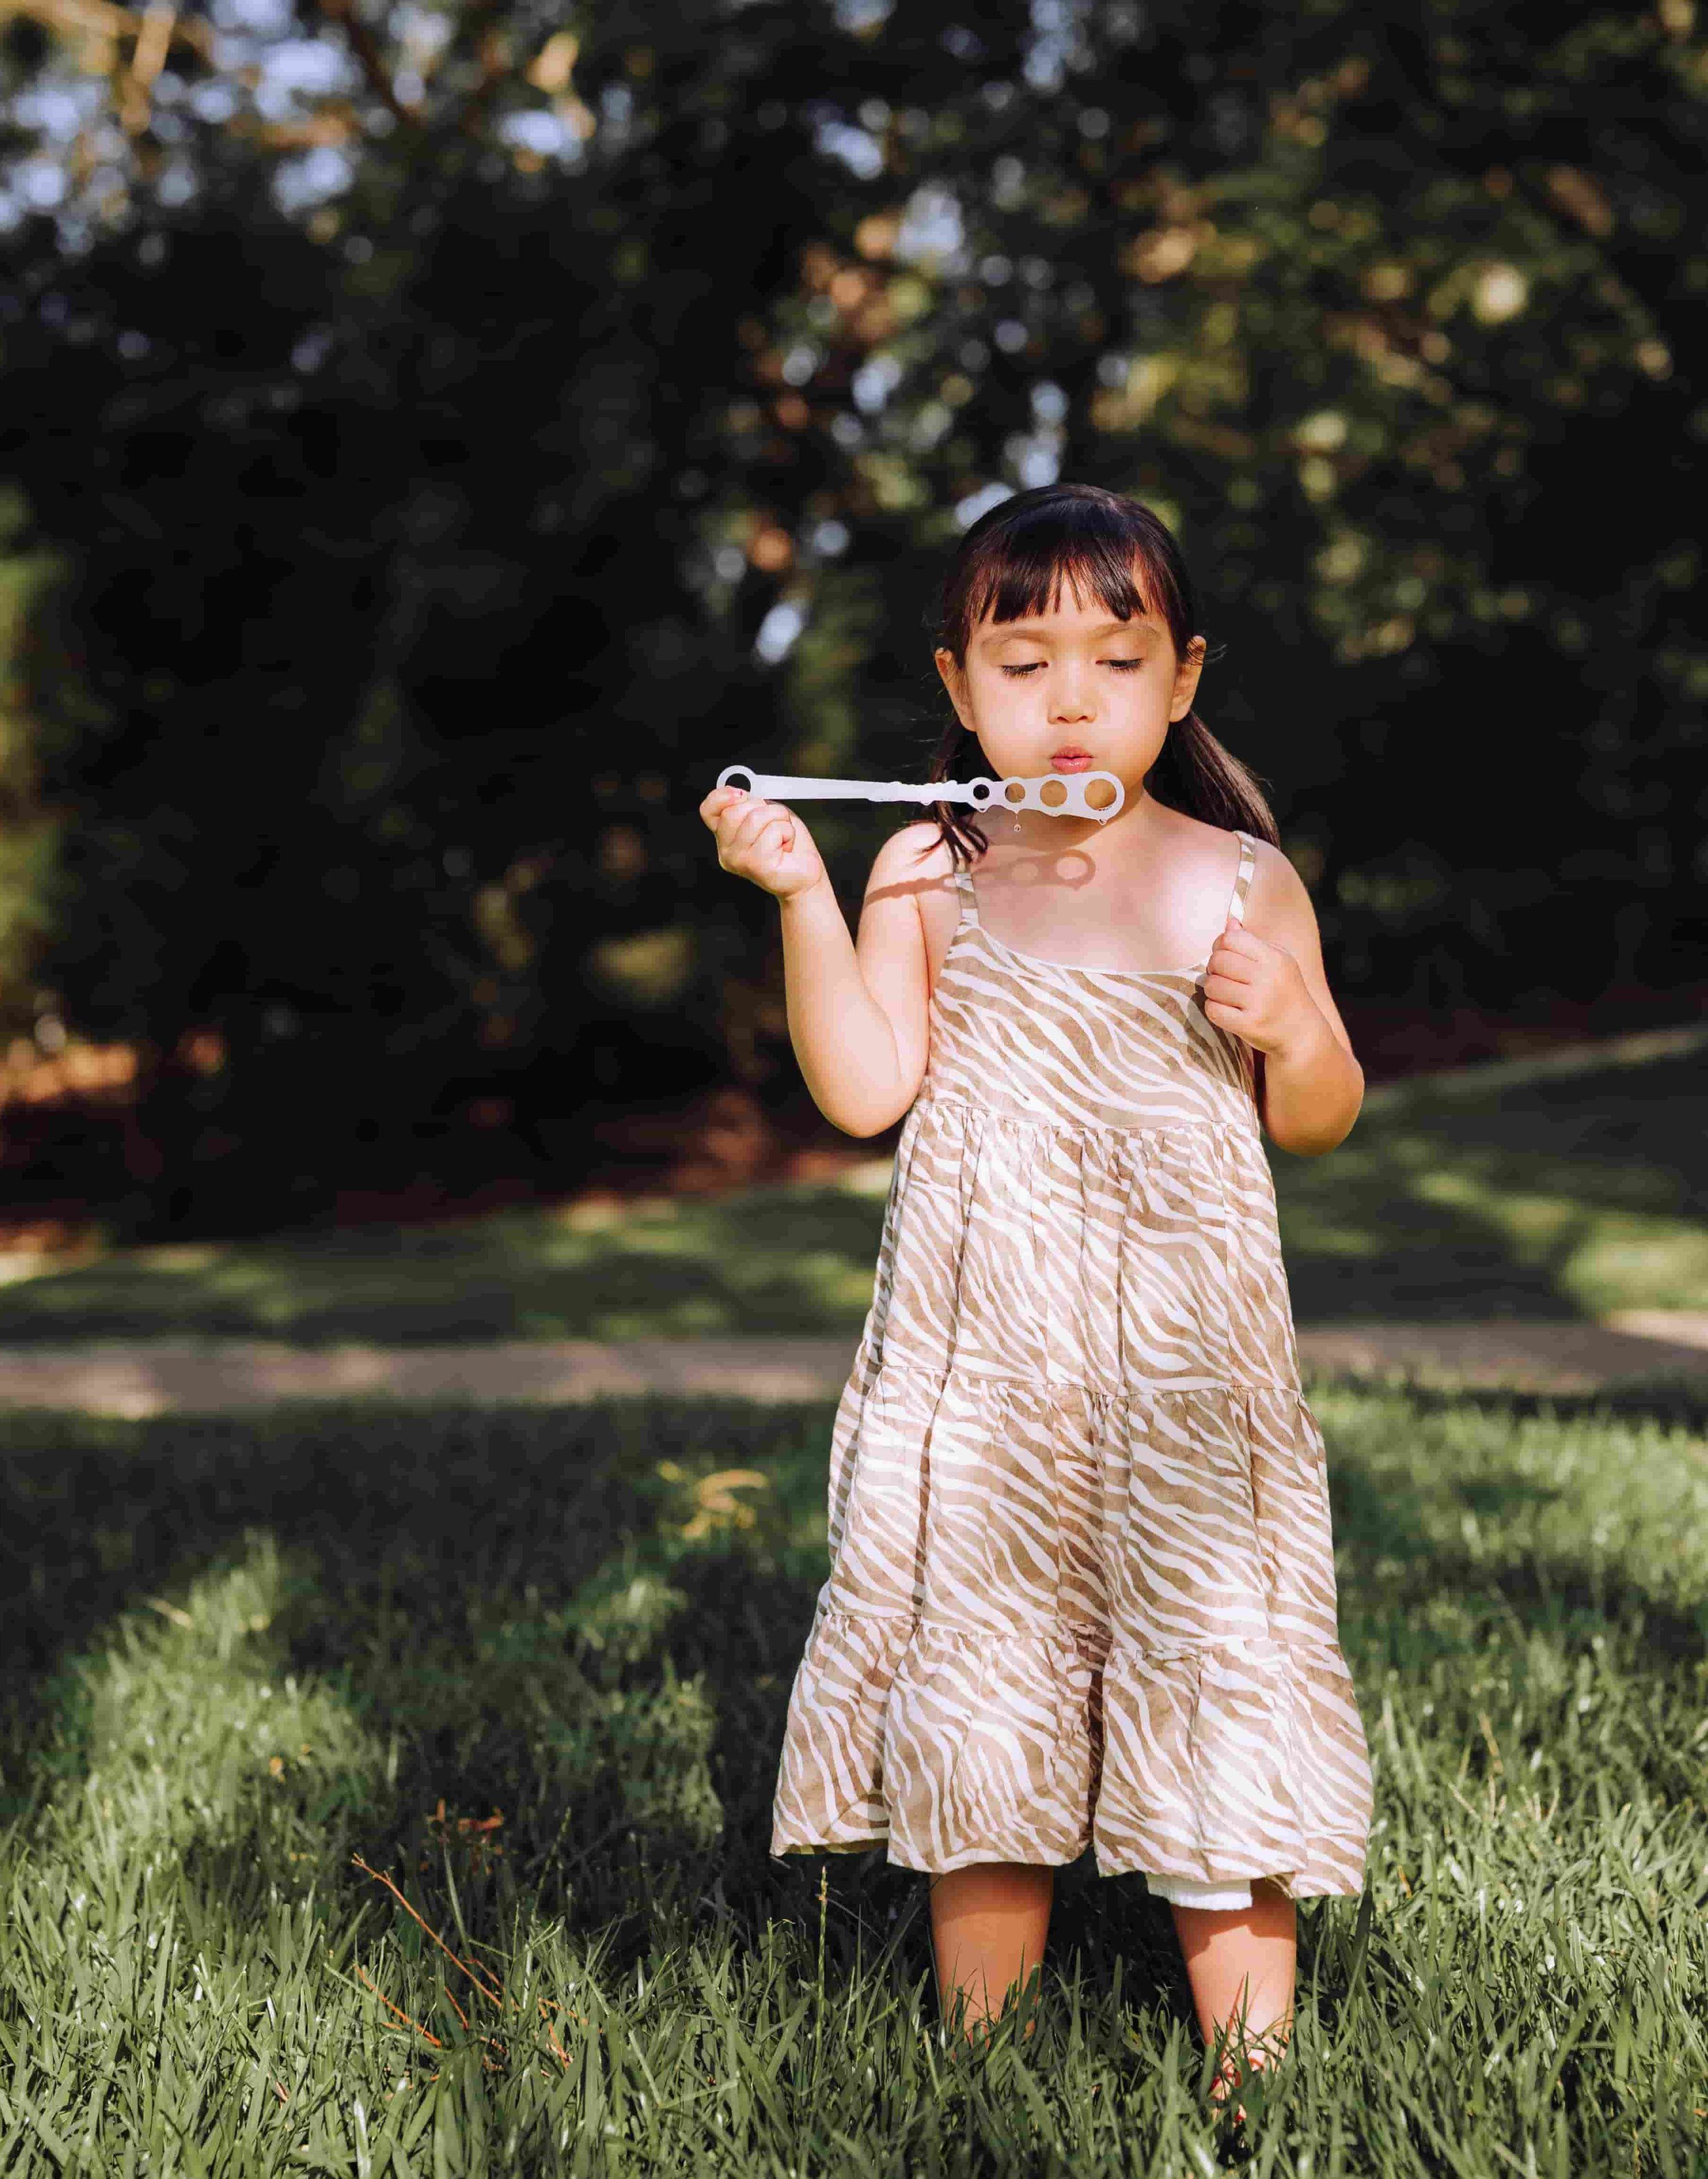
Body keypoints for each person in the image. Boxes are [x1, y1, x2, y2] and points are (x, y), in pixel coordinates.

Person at [699, 482, 1374, 2125]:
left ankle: (1253, 2085)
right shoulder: (931, 865)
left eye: (1114, 658)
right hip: (984, 1365)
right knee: (983, 1677)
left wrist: (1291, 1024)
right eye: (1022, 662)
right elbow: (864, 1088)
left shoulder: (1236, 879)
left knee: (1211, 1661)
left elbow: (1321, 1112)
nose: (1069, 699)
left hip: (1184, 1380)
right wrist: (800, 897)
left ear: (1182, 679)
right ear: (953, 686)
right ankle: (979, 2081)